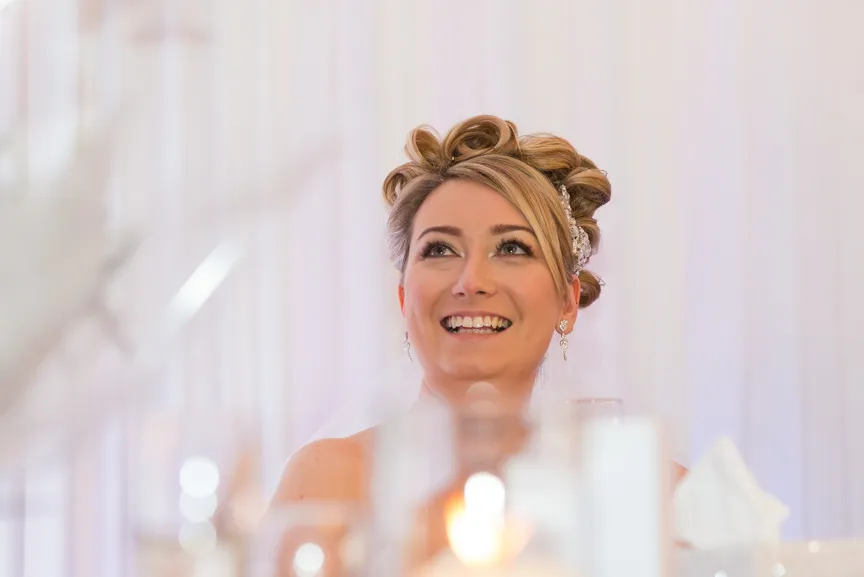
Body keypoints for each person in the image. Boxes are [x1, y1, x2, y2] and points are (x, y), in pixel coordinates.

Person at [272, 114, 686, 563]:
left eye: (512, 248)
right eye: (440, 249)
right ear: (403, 298)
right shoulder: (326, 483)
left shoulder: (657, 498)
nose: (472, 281)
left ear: (568, 302)